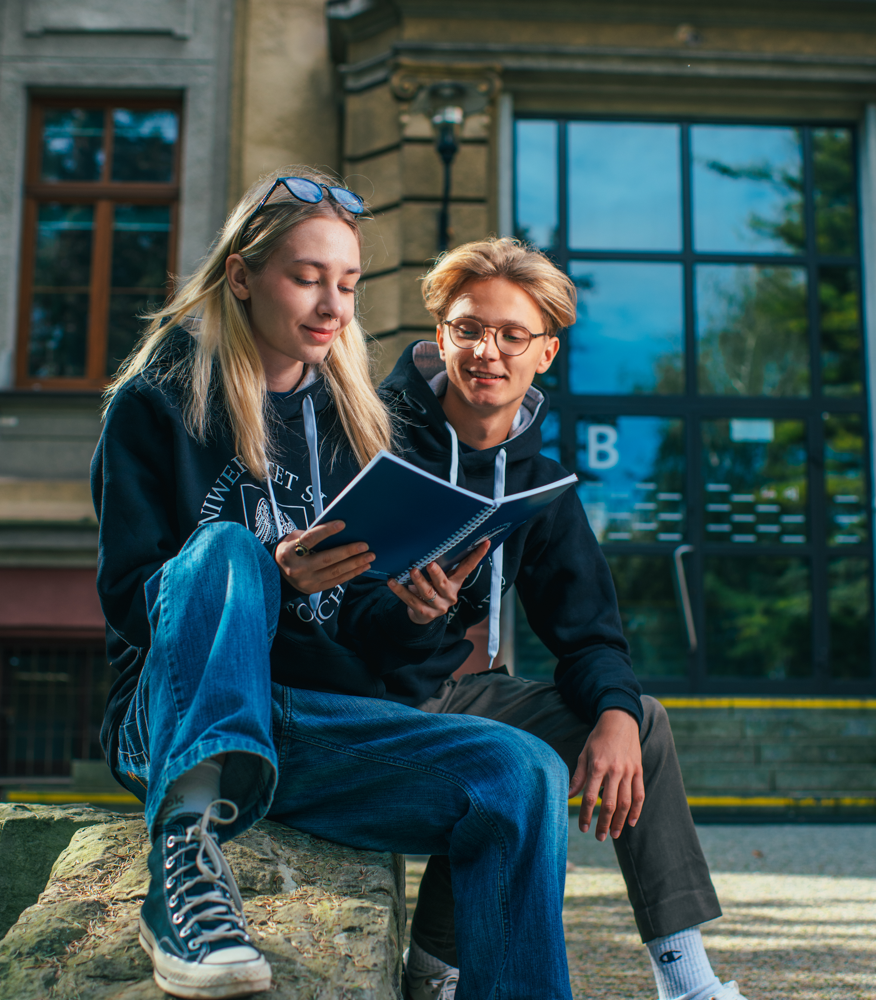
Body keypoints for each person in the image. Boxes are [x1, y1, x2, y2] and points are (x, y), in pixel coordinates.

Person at [92, 174, 575, 1000]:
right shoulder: (159, 403)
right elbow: (135, 599)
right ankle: (184, 860)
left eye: (347, 284)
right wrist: (270, 576)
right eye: (307, 277)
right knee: (228, 552)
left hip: (302, 722)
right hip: (174, 714)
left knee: (525, 773)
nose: (332, 305)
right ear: (242, 275)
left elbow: (355, 633)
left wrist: (418, 611)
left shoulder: (354, 420)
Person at [341, 238, 752, 1000]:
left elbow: (589, 630)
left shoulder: (538, 485)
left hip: (455, 700)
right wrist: (406, 616)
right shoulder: (371, 435)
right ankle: (434, 976)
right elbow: (333, 613)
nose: (486, 351)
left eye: (511, 335)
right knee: (502, 767)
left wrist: (616, 716)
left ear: (545, 354)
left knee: (639, 720)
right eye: (467, 329)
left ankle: (688, 983)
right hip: (359, 707)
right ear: (441, 337)